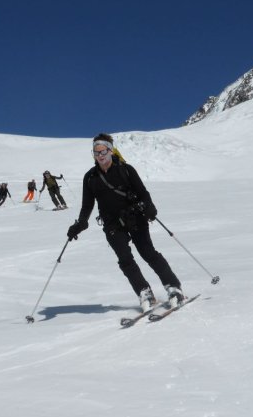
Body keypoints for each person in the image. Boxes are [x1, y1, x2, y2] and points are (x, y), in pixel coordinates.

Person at [66, 133, 183, 317]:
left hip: (135, 217)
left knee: (148, 253)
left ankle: (173, 286)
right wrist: (80, 224)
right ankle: (144, 293)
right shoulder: (90, 178)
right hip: (112, 224)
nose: (100, 156)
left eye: (103, 151)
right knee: (125, 260)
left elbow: (143, 193)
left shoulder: (126, 170)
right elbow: (87, 205)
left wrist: (150, 208)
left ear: (110, 151)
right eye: (96, 153)